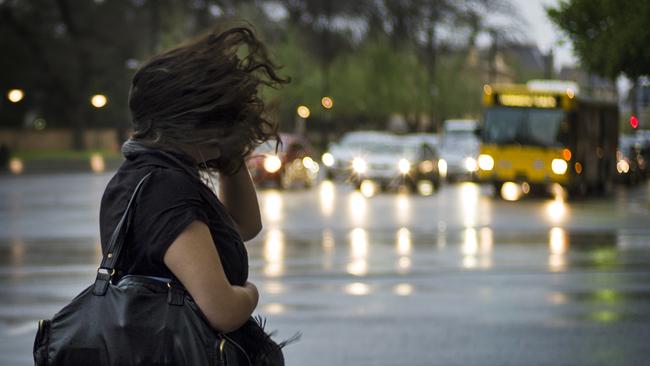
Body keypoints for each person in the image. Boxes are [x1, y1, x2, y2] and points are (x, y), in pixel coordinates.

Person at [99, 25, 291, 365]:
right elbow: (221, 310)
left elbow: (243, 226)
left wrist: (229, 155)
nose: (230, 126)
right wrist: (250, 293)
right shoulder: (163, 189)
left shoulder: (140, 177)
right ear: (189, 121)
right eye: (220, 117)